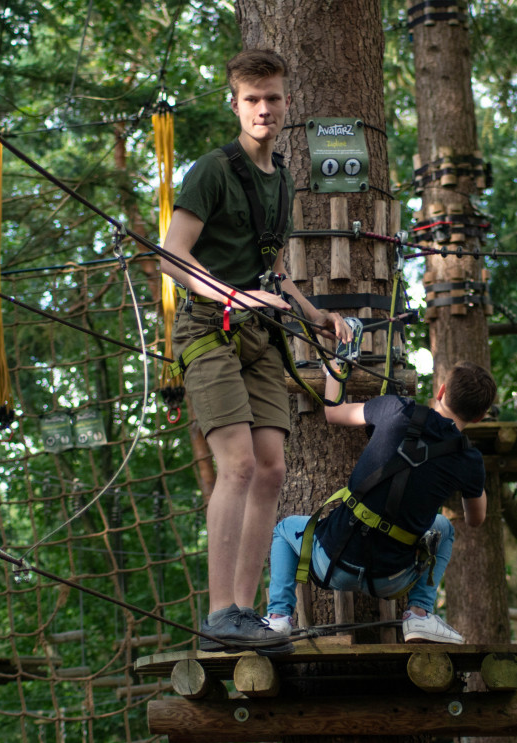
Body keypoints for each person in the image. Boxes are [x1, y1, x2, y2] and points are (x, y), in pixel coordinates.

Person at [160, 49, 351, 653]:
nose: (263, 109)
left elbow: (272, 268)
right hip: (207, 327)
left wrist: (314, 314)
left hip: (260, 332)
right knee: (237, 464)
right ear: (235, 104)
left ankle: (245, 611)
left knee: (271, 468)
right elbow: (170, 254)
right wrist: (232, 296)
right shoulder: (213, 171)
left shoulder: (282, 178)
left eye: (272, 98)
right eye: (252, 100)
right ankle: (220, 614)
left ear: (286, 102)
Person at [265, 361, 496, 644]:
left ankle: (278, 619)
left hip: (332, 563)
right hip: (391, 579)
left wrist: (336, 371)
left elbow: (333, 413)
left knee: (284, 529)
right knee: (444, 527)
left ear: (442, 390)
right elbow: (476, 519)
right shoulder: (469, 460)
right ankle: (419, 614)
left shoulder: (395, 409)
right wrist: (474, 473)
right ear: (479, 417)